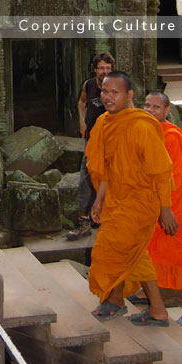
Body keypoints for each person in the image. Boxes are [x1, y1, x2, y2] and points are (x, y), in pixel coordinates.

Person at [87, 72, 177, 326]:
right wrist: (99, 200)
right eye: (105, 91)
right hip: (117, 198)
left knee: (108, 249)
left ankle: (116, 300)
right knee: (134, 254)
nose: (108, 97)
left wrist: (165, 209)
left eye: (115, 93)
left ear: (129, 96)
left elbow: (161, 171)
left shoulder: (141, 126)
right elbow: (105, 167)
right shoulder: (105, 123)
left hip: (141, 201)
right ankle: (154, 309)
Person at [129, 90, 182, 330]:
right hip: (152, 204)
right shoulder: (148, 131)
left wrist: (165, 210)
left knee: (178, 257)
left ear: (167, 111)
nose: (151, 110)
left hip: (172, 208)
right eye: (147, 106)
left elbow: (176, 180)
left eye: (156, 107)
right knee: (146, 250)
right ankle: (147, 294)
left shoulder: (171, 137)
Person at [66, 51, 115, 240]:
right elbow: (81, 102)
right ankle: (84, 221)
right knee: (86, 178)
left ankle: (106, 219)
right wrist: (82, 121)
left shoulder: (116, 87)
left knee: (113, 179)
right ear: (95, 69)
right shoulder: (89, 85)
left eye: (108, 68)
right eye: (101, 68)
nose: (104, 71)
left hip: (112, 141)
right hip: (93, 140)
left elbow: (130, 109)